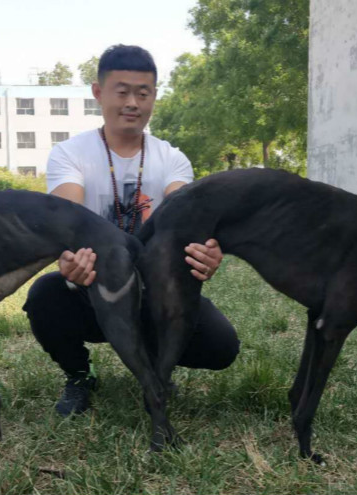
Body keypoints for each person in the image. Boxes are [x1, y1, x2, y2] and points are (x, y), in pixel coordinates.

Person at [23, 45, 240, 417]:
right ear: (98, 92)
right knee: (45, 295)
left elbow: (184, 214)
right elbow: (70, 217)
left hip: (155, 293)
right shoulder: (69, 154)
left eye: (143, 93)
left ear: (154, 95)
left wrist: (206, 249)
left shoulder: (171, 159)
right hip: (95, 289)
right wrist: (71, 256)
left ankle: (157, 366)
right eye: (121, 91)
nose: (133, 103)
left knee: (221, 346)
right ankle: (80, 374)